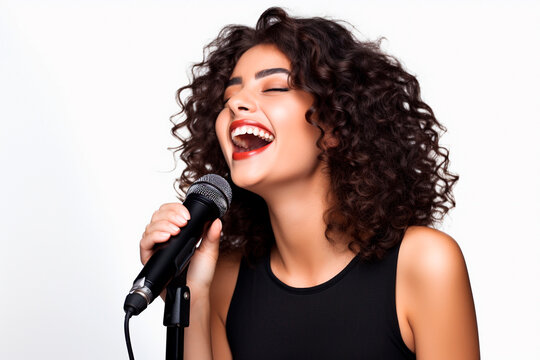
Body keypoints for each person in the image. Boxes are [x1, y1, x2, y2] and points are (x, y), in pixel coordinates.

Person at [139, 7, 480, 360]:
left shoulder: (425, 264)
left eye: (272, 87)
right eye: (228, 99)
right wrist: (191, 293)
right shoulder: (222, 283)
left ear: (334, 123)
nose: (237, 104)